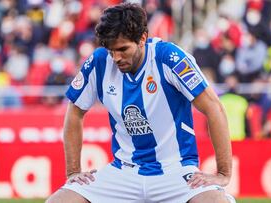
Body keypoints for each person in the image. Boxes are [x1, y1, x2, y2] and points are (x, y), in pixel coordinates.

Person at [46, 3, 234, 203]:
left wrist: (223, 172)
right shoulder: (100, 61)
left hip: (175, 171)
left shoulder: (169, 57)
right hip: (123, 172)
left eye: (122, 49)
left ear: (143, 38)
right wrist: (73, 171)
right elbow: (75, 112)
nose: (116, 58)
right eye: (111, 51)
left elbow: (214, 107)